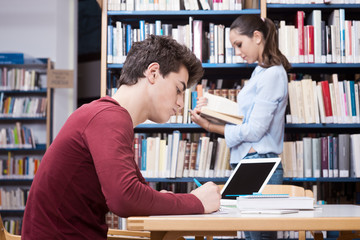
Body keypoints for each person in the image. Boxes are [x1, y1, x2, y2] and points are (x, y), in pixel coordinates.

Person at [22, 35, 221, 239]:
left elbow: (138, 192)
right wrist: (196, 202)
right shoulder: (109, 118)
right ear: (153, 73)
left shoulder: (107, 115)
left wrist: (177, 199)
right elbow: (125, 198)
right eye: (178, 89)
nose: (180, 103)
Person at [190, 15, 291, 240]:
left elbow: (255, 130)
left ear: (257, 37)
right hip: (248, 164)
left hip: (260, 164)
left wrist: (210, 126)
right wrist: (214, 110)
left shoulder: (273, 73)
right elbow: (245, 118)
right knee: (249, 235)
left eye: (239, 44)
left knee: (258, 237)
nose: (237, 52)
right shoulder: (260, 72)